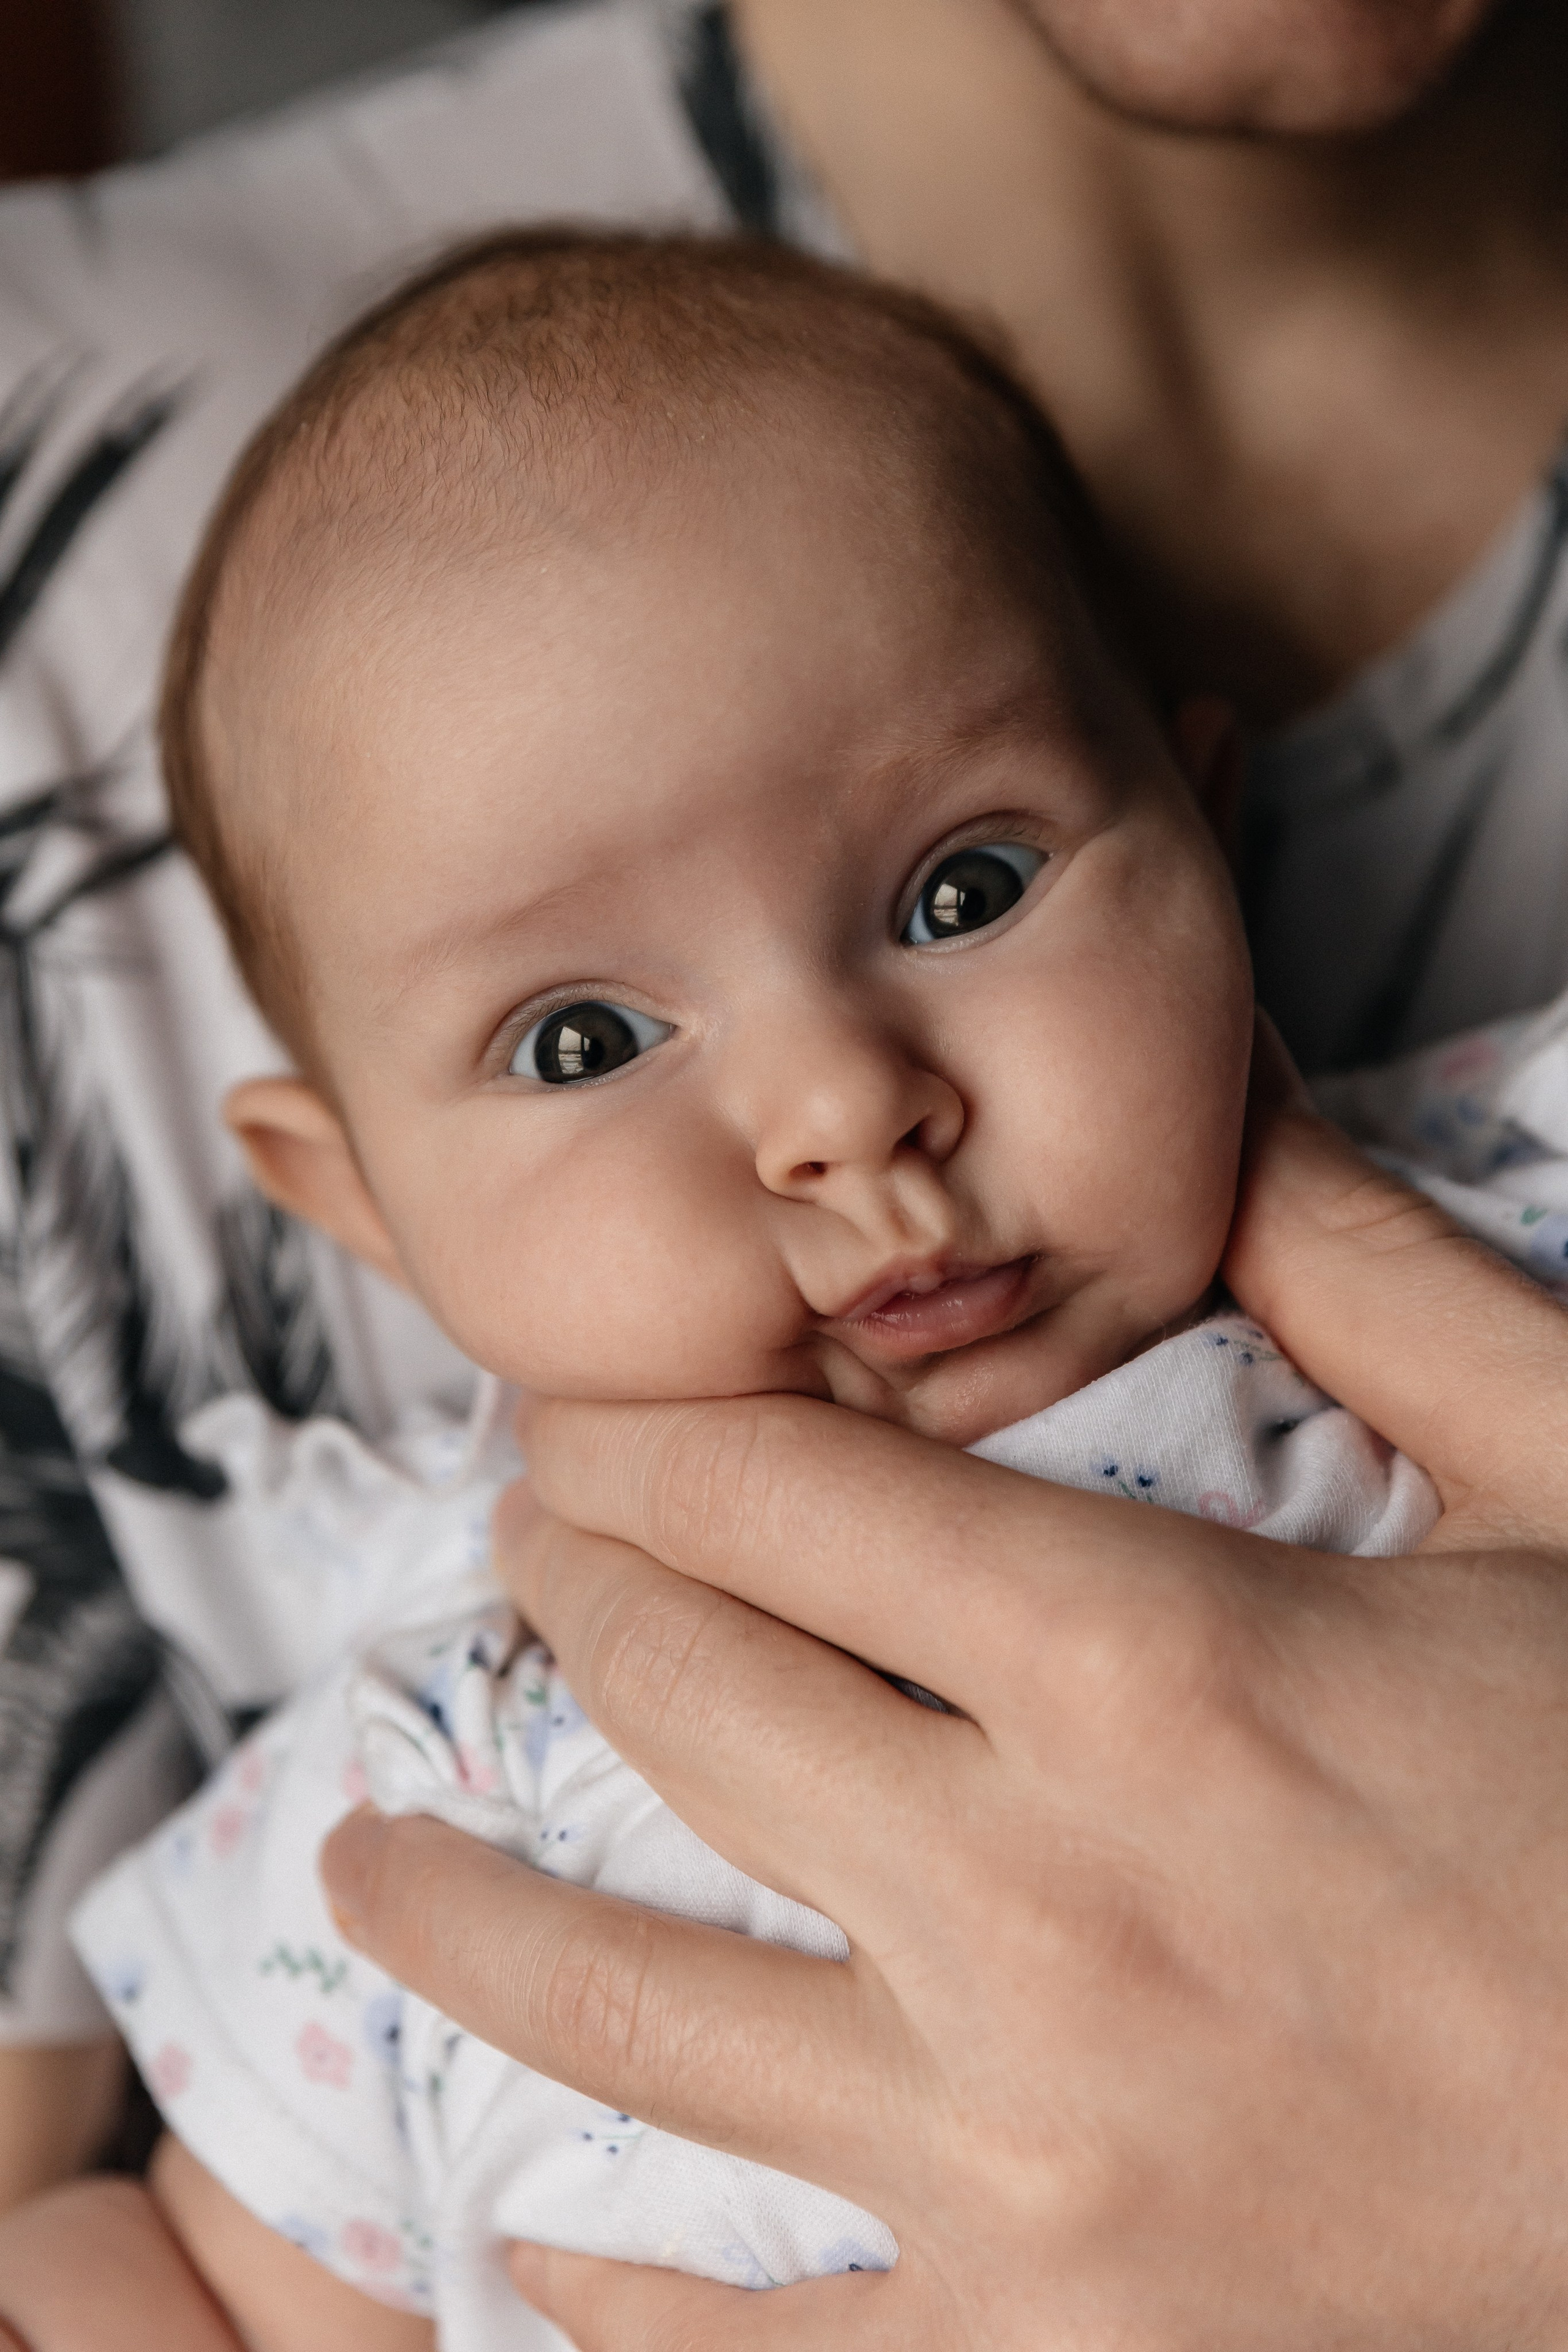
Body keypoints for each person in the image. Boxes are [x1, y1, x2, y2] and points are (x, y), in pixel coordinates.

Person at [0, 0, 1566, 2331]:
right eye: (583, 1039)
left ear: (1209, 839)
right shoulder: (437, 1730)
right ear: (355, 1204)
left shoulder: (1506, 1225)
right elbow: (154, 2269)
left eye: (966, 894)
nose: (845, 1107)